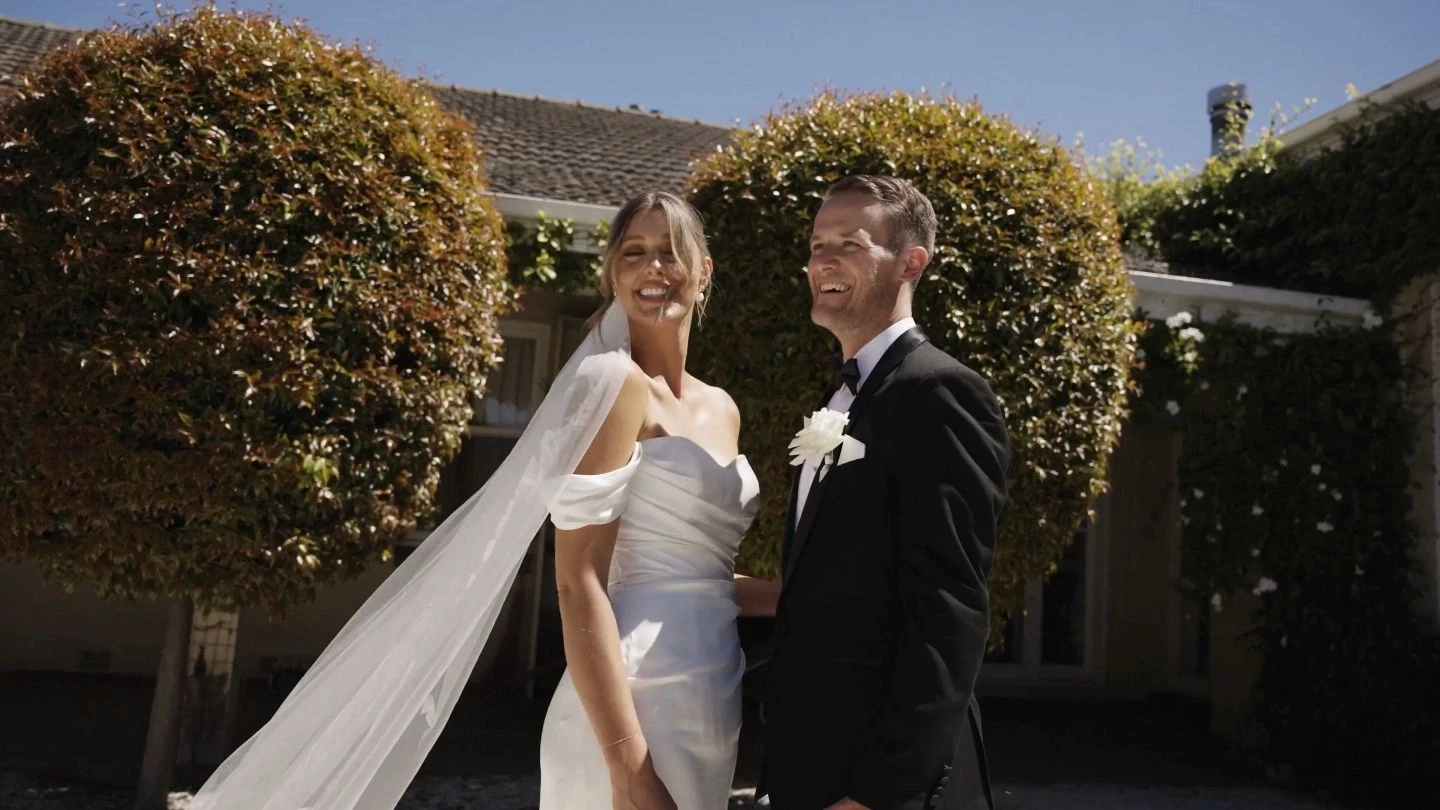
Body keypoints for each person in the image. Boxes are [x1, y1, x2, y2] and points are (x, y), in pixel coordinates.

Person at [187, 191, 766, 810]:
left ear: (704, 270)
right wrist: (628, 769)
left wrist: (813, 591)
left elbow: (694, 574)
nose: (654, 268)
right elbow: (578, 580)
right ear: (612, 275)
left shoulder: (721, 407)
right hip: (636, 693)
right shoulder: (614, 384)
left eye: (671, 252)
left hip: (713, 686)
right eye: (634, 253)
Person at [759, 175, 1010, 810]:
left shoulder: (941, 393)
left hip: (884, 784)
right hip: (812, 763)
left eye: (849, 243)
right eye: (817, 245)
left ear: (910, 262)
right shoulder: (839, 397)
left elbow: (949, 610)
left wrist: (879, 793)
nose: (823, 260)